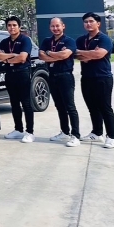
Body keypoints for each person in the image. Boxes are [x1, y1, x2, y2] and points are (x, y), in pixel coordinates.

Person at [75, 12, 114, 148]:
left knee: (105, 107)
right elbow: (75, 54)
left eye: (91, 21)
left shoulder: (104, 39)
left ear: (98, 24)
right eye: (86, 22)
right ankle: (97, 133)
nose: (88, 24)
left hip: (102, 77)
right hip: (87, 78)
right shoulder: (81, 39)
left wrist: (86, 54)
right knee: (92, 107)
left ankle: (112, 137)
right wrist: (91, 54)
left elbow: (99, 54)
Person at [39, 17, 80, 147]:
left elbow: (65, 55)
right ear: (50, 27)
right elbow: (41, 56)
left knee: (70, 106)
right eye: (53, 26)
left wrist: (49, 53)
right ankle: (65, 131)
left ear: (63, 26)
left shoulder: (69, 41)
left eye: (57, 26)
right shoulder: (47, 41)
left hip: (65, 76)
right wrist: (57, 55)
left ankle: (75, 135)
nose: (55, 28)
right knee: (59, 106)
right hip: (52, 76)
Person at [0, 16, 34, 143]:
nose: (12, 27)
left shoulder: (25, 40)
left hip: (22, 73)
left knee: (26, 103)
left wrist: (6, 58)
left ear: (19, 26)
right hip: (9, 74)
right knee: (14, 103)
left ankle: (29, 132)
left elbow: (22, 58)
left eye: (14, 25)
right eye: (9, 25)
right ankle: (18, 129)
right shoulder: (5, 42)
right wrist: (12, 55)